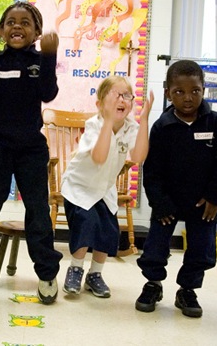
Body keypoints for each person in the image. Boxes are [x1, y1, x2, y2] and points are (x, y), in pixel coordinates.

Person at [0, 1, 63, 304]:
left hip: (31, 147)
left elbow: (48, 93)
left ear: (37, 31)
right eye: (11, 22)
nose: (17, 26)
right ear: (2, 30)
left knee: (38, 211)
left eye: (25, 22)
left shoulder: (38, 60)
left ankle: (46, 272)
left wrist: (50, 56)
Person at [135, 60, 217, 318]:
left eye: (195, 91)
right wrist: (159, 201)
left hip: (204, 202)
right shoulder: (162, 127)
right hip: (167, 200)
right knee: (155, 247)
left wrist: (215, 198)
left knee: (201, 249)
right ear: (168, 92)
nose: (188, 98)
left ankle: (187, 290)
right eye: (179, 92)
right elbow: (153, 169)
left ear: (204, 90)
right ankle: (153, 285)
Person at [60, 76, 153, 298]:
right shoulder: (95, 124)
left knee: (108, 230)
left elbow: (139, 156)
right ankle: (75, 268)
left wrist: (144, 120)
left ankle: (95, 275)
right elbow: (99, 157)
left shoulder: (131, 127)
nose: (121, 100)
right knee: (86, 223)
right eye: (115, 95)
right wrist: (109, 122)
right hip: (79, 187)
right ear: (100, 104)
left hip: (104, 190)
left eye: (126, 96)